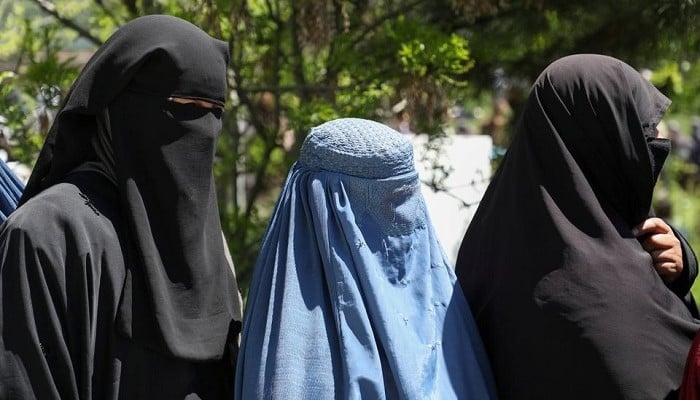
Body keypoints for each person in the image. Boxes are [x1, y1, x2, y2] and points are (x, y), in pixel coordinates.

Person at [0, 15, 242, 399]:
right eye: (184, 107)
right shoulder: (47, 233)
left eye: (212, 112)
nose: (200, 130)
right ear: (122, 109)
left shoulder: (204, 245)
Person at [455, 54, 700, 399]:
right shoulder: (607, 294)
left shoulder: (485, 246)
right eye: (641, 129)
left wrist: (678, 270)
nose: (657, 139)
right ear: (603, 142)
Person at [235, 118, 496, 399]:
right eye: (382, 205)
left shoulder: (445, 310)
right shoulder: (294, 357)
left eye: (403, 202)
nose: (401, 221)